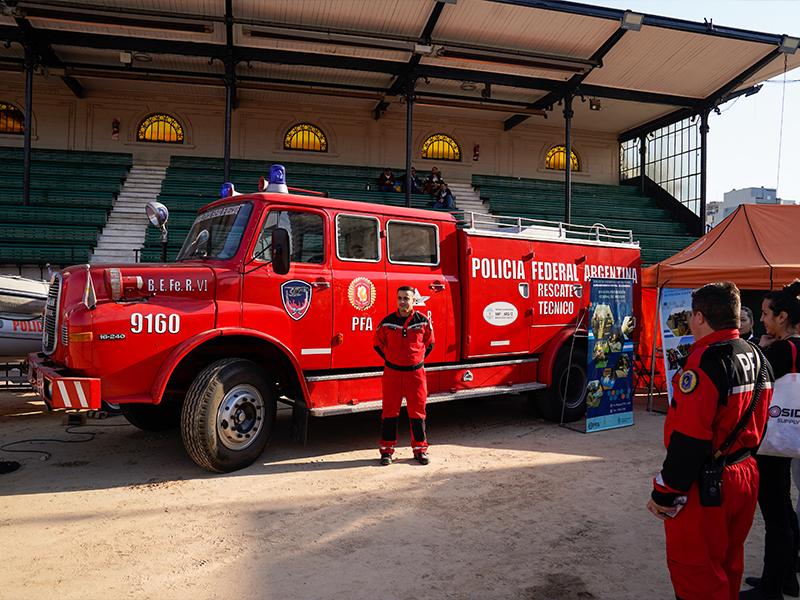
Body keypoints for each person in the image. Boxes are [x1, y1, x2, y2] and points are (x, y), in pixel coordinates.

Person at [646, 282, 773, 600]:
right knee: (728, 565)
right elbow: (762, 419)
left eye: (691, 315)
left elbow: (689, 437)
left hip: (708, 483)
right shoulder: (756, 355)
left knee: (697, 574)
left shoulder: (705, 363)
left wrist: (665, 492)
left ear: (699, 317)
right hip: (743, 472)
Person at [742, 280, 800, 600]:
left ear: (782, 317)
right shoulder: (794, 345)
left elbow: (753, 384)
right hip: (790, 436)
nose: (762, 320)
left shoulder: (780, 349)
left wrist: (762, 349)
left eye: (766, 314)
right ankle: (786, 578)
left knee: (776, 516)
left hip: (772, 440)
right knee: (785, 511)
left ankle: (771, 588)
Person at [373, 286, 435, 466]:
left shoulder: (423, 321)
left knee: (418, 411)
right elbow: (378, 345)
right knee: (390, 411)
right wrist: (394, 360)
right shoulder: (387, 322)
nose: (402, 301)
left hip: (416, 373)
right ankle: (386, 450)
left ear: (413, 299)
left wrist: (414, 360)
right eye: (400, 298)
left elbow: (429, 344)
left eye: (406, 298)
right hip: (392, 372)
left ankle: (420, 450)